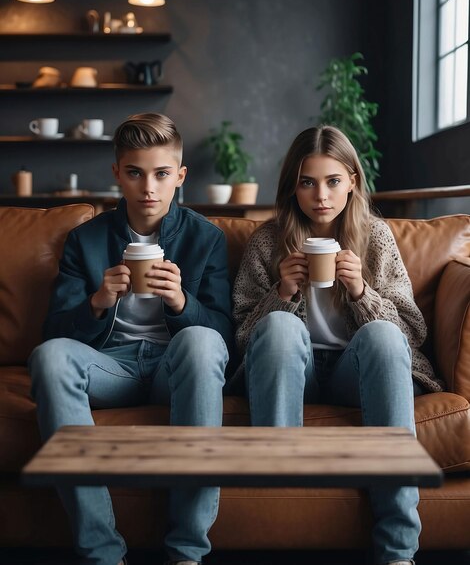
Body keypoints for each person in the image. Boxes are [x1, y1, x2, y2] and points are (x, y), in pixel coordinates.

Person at [231, 125, 443, 565]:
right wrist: (282, 294)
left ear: (352, 181)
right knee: (281, 328)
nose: (321, 195)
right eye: (308, 182)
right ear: (294, 186)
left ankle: (398, 549)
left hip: (354, 372)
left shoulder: (377, 238)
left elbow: (411, 333)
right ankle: (281, 524)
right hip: (293, 372)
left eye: (332, 181)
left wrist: (364, 292)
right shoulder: (268, 242)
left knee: (382, 335)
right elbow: (243, 339)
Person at [29, 113, 233, 565]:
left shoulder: (207, 239)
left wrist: (183, 303)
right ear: (117, 173)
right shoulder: (86, 240)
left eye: (162, 174)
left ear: (180, 177)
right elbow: (55, 334)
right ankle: (102, 553)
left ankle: (186, 553)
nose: (149, 188)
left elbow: (225, 341)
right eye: (136, 173)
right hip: (111, 366)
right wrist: (98, 301)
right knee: (50, 358)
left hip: (172, 366)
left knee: (200, 343)